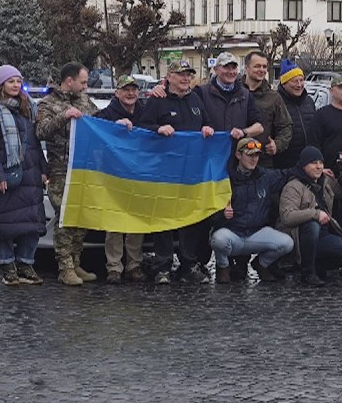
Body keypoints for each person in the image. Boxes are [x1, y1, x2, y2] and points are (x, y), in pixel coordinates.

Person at [138, 59, 216, 283]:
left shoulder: (195, 99)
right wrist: (157, 128)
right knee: (165, 219)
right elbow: (142, 128)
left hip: (191, 173)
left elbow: (206, 123)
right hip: (165, 172)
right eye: (181, 74)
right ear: (169, 77)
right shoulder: (157, 101)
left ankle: (188, 265)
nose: (185, 78)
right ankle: (162, 264)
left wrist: (207, 128)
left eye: (189, 75)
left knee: (189, 220)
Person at [0, 65, 48, 287]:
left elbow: (36, 142)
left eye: (18, 81)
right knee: (6, 224)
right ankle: (7, 264)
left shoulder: (29, 108)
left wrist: (43, 169)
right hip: (7, 173)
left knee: (31, 223)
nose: (16, 85)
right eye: (11, 81)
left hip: (30, 173)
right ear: (1, 84)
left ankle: (26, 263)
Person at [35, 62, 101, 287]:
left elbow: (100, 123)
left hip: (83, 168)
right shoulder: (48, 103)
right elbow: (41, 131)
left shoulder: (85, 101)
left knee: (80, 218)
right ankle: (65, 268)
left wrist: (118, 124)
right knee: (65, 219)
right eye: (82, 82)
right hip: (60, 170)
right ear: (69, 81)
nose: (85, 87)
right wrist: (64, 116)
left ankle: (76, 261)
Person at [209, 138, 296, 284]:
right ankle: (223, 266)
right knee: (218, 240)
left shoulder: (265, 176)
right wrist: (222, 215)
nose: (254, 159)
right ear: (238, 155)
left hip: (256, 233)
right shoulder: (225, 179)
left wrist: (311, 166)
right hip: (233, 233)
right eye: (249, 155)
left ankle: (261, 264)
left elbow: (287, 174)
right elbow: (210, 215)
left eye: (256, 155)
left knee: (287, 243)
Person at [276, 146, 342, 286]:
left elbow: (341, 192)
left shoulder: (325, 181)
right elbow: (287, 217)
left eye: (321, 163)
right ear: (303, 165)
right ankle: (307, 273)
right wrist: (315, 214)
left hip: (323, 236)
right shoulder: (293, 186)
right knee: (312, 225)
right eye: (313, 163)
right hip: (299, 237)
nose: (318, 167)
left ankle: (317, 265)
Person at [96, 75, 148, 283]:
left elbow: (154, 128)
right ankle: (114, 267)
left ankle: (134, 265)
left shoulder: (144, 112)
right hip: (114, 176)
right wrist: (113, 127)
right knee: (115, 224)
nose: (130, 93)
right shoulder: (106, 114)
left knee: (136, 223)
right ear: (117, 93)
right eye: (126, 89)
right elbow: (95, 133)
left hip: (139, 175)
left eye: (134, 89)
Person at [196, 51, 263, 141]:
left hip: (236, 152)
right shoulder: (201, 92)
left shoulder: (246, 95)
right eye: (226, 67)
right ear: (216, 69)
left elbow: (259, 127)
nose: (231, 72)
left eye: (234, 68)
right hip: (209, 151)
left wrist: (243, 132)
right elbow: (191, 122)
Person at [242, 51, 292, 168]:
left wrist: (277, 145)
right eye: (257, 66)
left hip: (262, 162)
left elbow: (286, 126)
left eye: (264, 66)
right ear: (247, 68)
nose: (262, 70)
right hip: (236, 160)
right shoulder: (235, 93)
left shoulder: (273, 97)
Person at [274, 60, 317, 170]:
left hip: (308, 164)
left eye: (301, 80)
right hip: (283, 165)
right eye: (294, 81)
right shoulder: (275, 102)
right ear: (284, 83)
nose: (299, 85)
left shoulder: (309, 102)